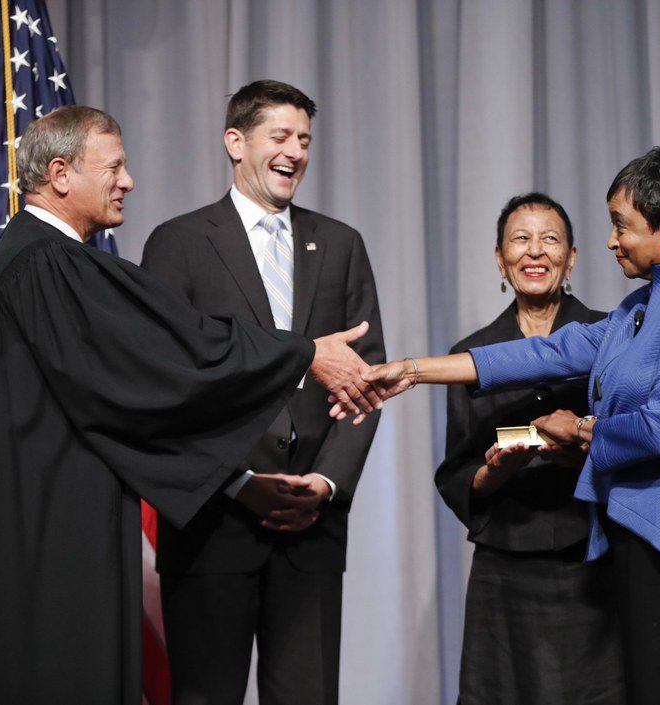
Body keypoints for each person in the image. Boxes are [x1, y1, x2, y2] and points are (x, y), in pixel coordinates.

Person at [0, 105, 383, 705]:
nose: (129, 181)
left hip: (36, 516)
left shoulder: (41, 258)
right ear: (61, 174)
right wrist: (302, 354)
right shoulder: (47, 263)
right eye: (115, 166)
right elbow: (170, 354)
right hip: (45, 534)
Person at [349, 146, 660, 705]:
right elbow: (548, 353)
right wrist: (410, 370)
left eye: (620, 225)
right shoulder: (647, 304)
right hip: (653, 547)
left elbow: (659, 428)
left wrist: (576, 431)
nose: (610, 241)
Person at [142, 80, 384, 705]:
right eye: (280, 136)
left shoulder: (340, 245)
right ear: (236, 142)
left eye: (304, 140)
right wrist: (240, 484)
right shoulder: (178, 244)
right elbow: (164, 386)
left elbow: (369, 375)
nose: (295, 152)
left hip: (312, 528)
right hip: (212, 521)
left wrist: (325, 485)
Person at [437, 192, 623, 705]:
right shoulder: (470, 357)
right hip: (506, 565)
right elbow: (459, 473)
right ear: (500, 258)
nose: (534, 252)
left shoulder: (613, 339)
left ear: (572, 257)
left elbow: (641, 444)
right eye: (520, 239)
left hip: (597, 559)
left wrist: (584, 451)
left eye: (550, 239)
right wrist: (494, 471)